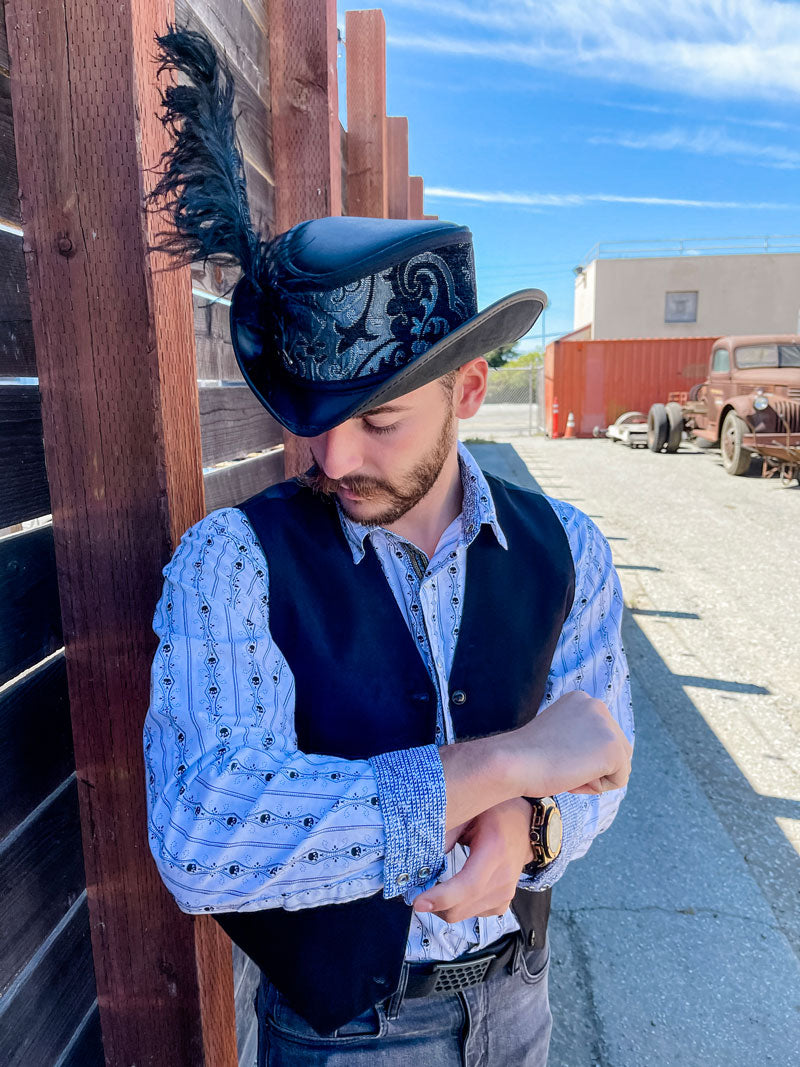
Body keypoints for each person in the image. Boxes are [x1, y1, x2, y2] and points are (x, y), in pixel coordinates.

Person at [142, 25, 634, 1066]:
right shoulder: (232, 562)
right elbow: (203, 834)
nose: (329, 452)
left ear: (465, 392)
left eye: (378, 420)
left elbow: (599, 760)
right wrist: (500, 763)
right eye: (312, 415)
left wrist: (527, 826)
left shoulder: (567, 549)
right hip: (341, 1039)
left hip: (517, 1006)